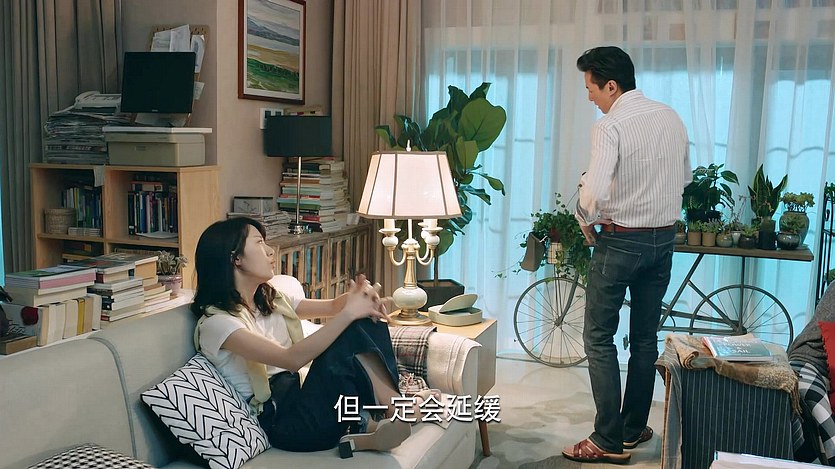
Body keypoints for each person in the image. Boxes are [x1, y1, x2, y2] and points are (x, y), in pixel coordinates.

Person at [191, 217, 432, 458]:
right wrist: (349, 312)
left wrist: (361, 298)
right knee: (348, 327)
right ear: (236, 259)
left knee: (363, 319)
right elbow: (290, 359)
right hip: (287, 426)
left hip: (309, 405)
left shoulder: (271, 300)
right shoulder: (217, 324)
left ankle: (371, 423)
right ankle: (392, 411)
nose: (270, 251)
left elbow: (332, 307)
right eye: (259, 243)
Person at [562, 46, 691, 465]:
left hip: (620, 243)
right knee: (644, 338)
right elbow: (684, 178)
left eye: (591, 88)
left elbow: (593, 193)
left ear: (611, 86)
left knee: (598, 337)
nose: (589, 97)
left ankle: (607, 438)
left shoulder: (610, 126)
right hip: (663, 242)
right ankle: (633, 428)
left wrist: (584, 218)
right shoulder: (671, 117)